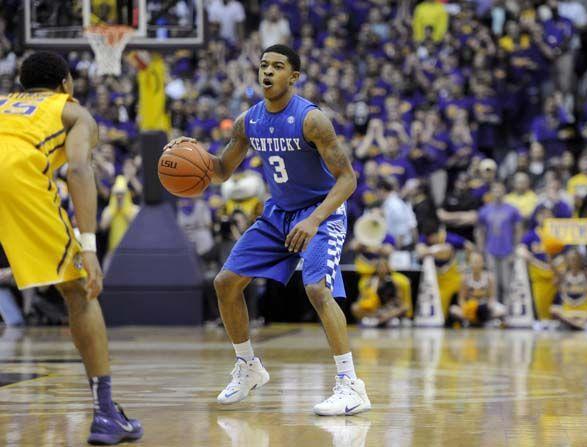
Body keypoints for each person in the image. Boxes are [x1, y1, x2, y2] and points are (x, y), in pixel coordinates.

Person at [166, 45, 370, 415]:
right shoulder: (249, 121)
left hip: (321, 212)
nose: (268, 72)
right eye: (264, 65)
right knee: (225, 283)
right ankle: (248, 367)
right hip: (278, 214)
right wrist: (190, 153)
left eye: (278, 66)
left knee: (317, 289)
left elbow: (347, 179)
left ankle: (350, 385)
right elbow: (222, 169)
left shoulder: (312, 120)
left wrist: (314, 220)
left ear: (293, 76)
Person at [0, 52, 142, 445]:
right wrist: (90, 247)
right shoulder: (72, 112)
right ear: (66, 83)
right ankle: (106, 414)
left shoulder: (3, 103)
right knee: (79, 290)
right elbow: (79, 168)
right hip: (15, 177)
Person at [450, 251, 506, 326]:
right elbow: (461, 299)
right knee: (453, 310)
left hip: (484, 306)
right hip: (471, 306)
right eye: (474, 262)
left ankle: (484, 319)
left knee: (502, 310)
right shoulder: (465, 278)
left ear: (482, 263)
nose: (476, 264)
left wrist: (488, 306)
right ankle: (474, 320)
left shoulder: (489, 277)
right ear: (470, 263)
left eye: (478, 261)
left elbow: (491, 297)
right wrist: (466, 307)